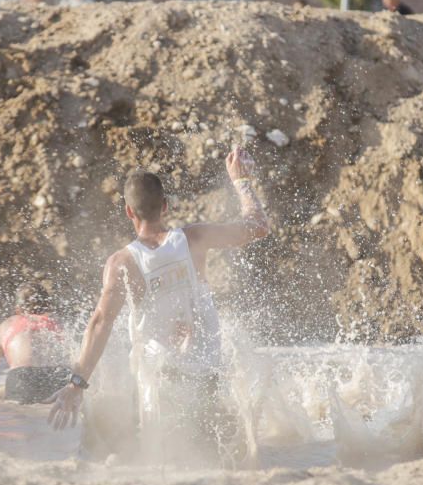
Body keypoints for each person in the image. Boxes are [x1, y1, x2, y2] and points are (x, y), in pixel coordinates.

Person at [47, 148, 270, 439]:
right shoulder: (194, 238)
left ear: (128, 211)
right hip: (205, 375)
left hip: (159, 382)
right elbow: (257, 226)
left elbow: (100, 323)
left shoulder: (122, 263)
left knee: (164, 458)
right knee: (212, 449)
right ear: (165, 206)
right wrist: (241, 182)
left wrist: (77, 385)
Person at [0, 283, 70, 403]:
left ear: (17, 309)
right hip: (57, 377)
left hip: (22, 378)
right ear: (48, 306)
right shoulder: (57, 325)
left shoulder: (4, 327)